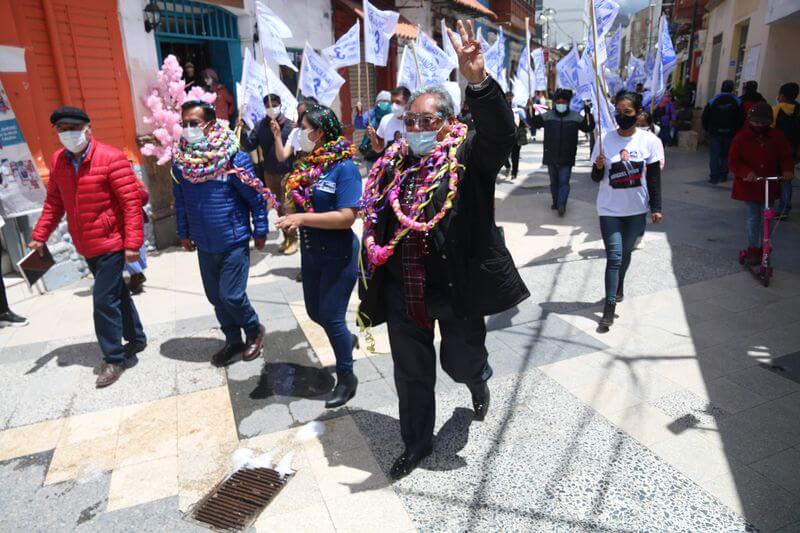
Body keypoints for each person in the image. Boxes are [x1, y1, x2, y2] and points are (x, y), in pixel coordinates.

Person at [358, 20, 529, 480]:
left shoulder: (469, 157)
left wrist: (477, 80)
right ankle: (416, 443)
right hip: (404, 289)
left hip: (457, 286)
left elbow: (499, 135)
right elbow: (379, 215)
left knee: (458, 360)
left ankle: (478, 377)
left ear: (449, 123)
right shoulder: (393, 163)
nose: (415, 128)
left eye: (426, 121)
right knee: (412, 374)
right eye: (410, 120)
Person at [29, 106, 146, 387]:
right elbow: (54, 203)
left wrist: (132, 243)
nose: (68, 135)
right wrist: (40, 234)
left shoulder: (111, 158)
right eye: (62, 130)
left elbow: (131, 204)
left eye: (73, 129)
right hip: (87, 242)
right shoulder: (59, 161)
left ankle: (114, 358)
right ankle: (137, 338)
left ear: (88, 129)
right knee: (116, 291)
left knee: (103, 300)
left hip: (112, 242)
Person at [275, 105, 362, 408]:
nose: (300, 132)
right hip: (312, 253)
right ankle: (346, 341)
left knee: (332, 317)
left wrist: (302, 220)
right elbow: (302, 203)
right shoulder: (309, 164)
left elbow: (346, 217)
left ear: (320, 131)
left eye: (304, 127)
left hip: (339, 254)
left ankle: (347, 377)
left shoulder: (345, 168)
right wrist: (288, 211)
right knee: (314, 312)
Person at [174, 100, 268, 367]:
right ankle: (233, 340)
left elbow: (256, 197)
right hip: (204, 243)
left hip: (233, 239)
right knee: (216, 297)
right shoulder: (182, 162)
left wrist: (260, 228)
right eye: (185, 123)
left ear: (212, 125)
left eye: (194, 123)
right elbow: (180, 200)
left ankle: (253, 331)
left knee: (232, 296)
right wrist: (184, 232)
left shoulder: (233, 157)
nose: (188, 128)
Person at [590, 93, 664, 333]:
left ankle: (619, 284)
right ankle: (609, 307)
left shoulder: (649, 141)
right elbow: (595, 177)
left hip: (636, 209)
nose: (622, 117)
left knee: (626, 254)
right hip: (609, 208)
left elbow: (653, 178)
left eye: (628, 113)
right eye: (618, 112)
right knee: (614, 257)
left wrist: (656, 207)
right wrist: (598, 167)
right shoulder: (604, 140)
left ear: (638, 113)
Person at [728, 102, 795, 265]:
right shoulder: (741, 137)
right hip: (750, 185)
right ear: (750, 120)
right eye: (756, 122)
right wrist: (746, 172)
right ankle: (753, 248)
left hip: (768, 184)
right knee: (753, 217)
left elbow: (786, 156)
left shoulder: (776, 136)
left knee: (767, 217)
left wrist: (787, 170)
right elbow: (733, 162)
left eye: (763, 123)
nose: (759, 126)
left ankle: (765, 245)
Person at [239, 94, 297, 254]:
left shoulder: (290, 125)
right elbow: (250, 144)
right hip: (270, 172)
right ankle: (286, 238)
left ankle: (293, 239)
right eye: (268, 106)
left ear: (280, 105)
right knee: (278, 207)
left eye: (275, 104)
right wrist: (243, 131)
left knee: (288, 207)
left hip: (287, 171)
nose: (272, 108)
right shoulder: (260, 126)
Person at [529, 88, 595, 216]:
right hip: (550, 155)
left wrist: (588, 113)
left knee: (564, 181)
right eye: (558, 101)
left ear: (568, 103)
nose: (561, 104)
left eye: (564, 102)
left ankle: (561, 204)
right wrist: (530, 109)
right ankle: (555, 201)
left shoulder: (575, 117)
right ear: (554, 103)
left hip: (567, 155)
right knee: (554, 182)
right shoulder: (547, 116)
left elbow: (588, 127)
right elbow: (534, 123)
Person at [702, 80, 744, 184]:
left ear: (721, 88)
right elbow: (741, 118)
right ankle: (723, 175)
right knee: (726, 154)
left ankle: (714, 177)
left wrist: (707, 129)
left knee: (714, 155)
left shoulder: (713, 100)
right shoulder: (737, 101)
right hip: (730, 133)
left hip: (714, 132)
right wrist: (736, 130)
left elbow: (705, 117)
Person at [773, 82, 800, 220]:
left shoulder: (777, 110)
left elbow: (769, 128)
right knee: (787, 179)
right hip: (793, 150)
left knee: (771, 177)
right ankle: (785, 208)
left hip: (777, 150)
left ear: (782, 95)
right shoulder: (798, 109)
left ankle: (769, 204)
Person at [355, 92, 393, 171]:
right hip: (389, 154)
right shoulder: (395, 113)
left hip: (373, 155)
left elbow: (358, 125)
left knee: (372, 180)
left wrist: (359, 115)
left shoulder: (372, 112)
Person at [273, 97, 319, 162]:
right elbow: (282, 157)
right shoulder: (296, 133)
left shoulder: (320, 132)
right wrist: (277, 136)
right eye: (298, 114)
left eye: (303, 114)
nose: (300, 118)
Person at [367, 86, 411, 153]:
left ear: (407, 103)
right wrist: (373, 136)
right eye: (392, 102)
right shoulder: (385, 120)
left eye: (398, 102)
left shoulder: (415, 122)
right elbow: (378, 148)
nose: (394, 105)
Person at [125, 180, 150, 295]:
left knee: (127, 245)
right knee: (138, 245)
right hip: (136, 216)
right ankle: (137, 273)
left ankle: (136, 274)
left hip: (127, 217)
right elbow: (144, 197)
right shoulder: (135, 181)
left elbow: (144, 197)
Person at [502, 91, 528, 180]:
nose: (509, 98)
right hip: (506, 135)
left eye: (510, 96)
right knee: (503, 154)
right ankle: (508, 166)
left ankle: (514, 172)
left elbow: (525, 122)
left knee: (515, 155)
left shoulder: (519, 109)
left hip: (517, 135)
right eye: (507, 97)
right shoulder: (502, 107)